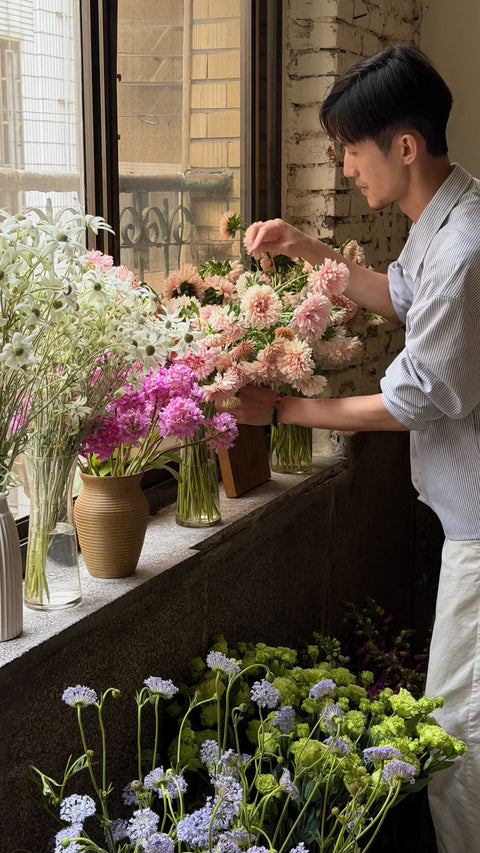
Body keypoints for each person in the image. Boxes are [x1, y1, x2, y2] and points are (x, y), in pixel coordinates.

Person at [218, 44, 480, 853]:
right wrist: (305, 248)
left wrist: (282, 409)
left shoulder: (467, 248)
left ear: (404, 146)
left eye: (352, 148)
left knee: (456, 732)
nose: (343, 166)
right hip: (466, 511)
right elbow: (397, 293)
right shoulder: (448, 213)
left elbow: (412, 400)